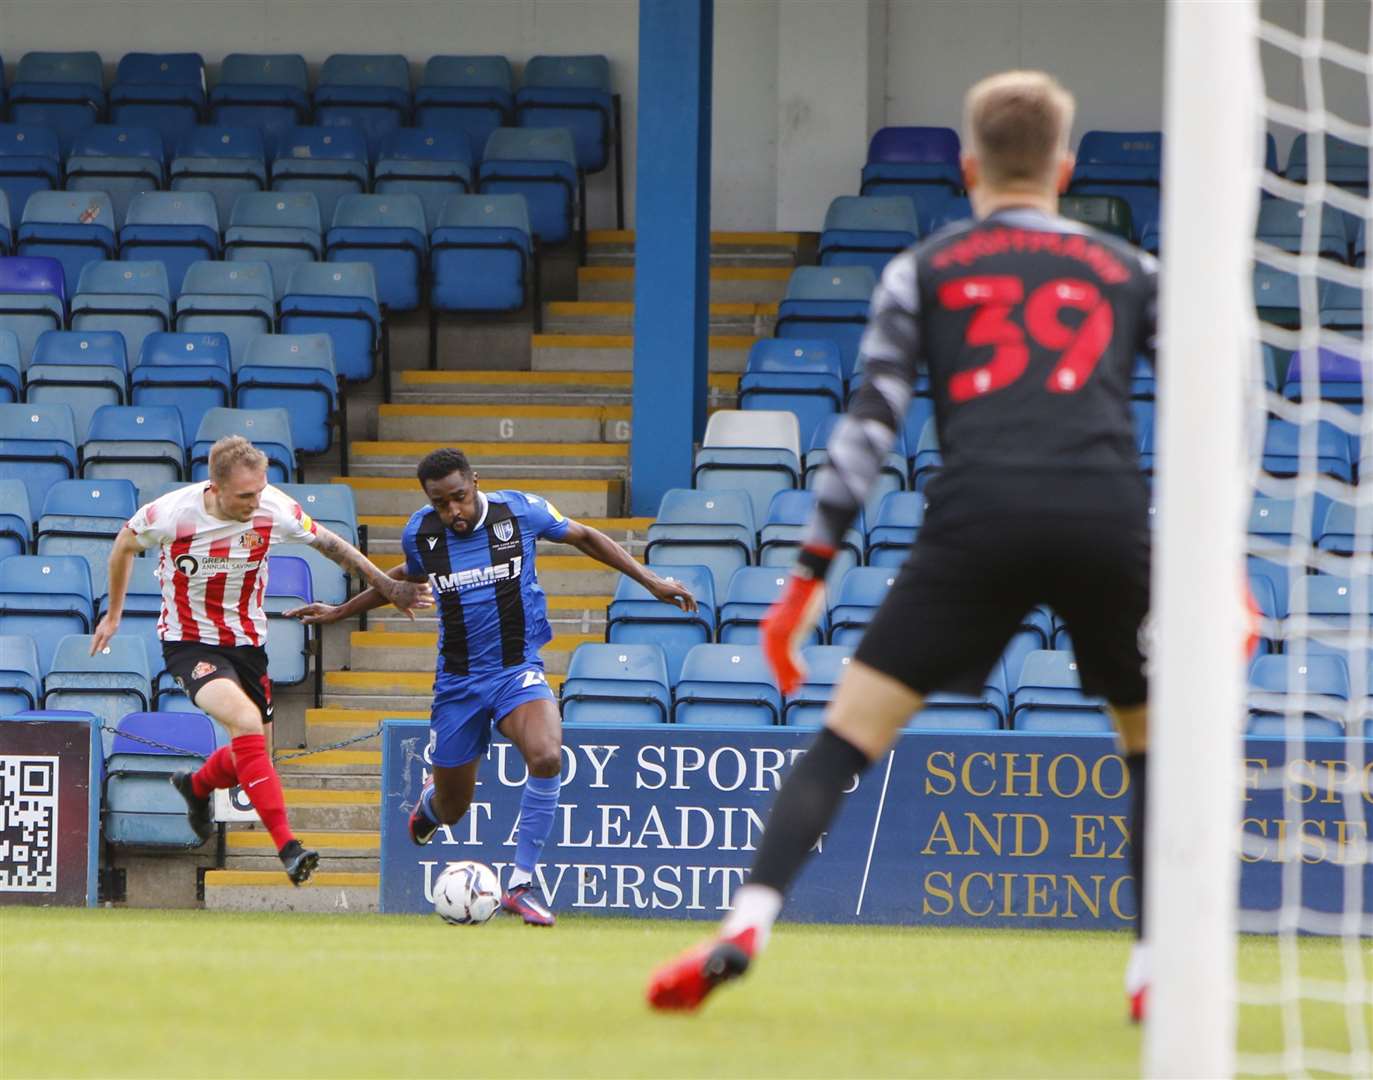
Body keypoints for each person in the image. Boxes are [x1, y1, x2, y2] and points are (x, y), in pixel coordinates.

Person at [647, 70, 1158, 1020]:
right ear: (1065, 166)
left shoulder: (920, 270)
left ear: (965, 166)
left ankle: (747, 921)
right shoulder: (1129, 270)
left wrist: (802, 587)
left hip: (976, 517)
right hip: (1106, 516)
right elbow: (1214, 405)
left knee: (844, 738)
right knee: (1148, 749)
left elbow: (866, 433)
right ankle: (1152, 966)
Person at [286, 447, 697, 924]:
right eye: (441, 503)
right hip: (458, 684)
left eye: (459, 497)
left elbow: (586, 537)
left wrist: (650, 581)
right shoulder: (422, 533)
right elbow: (401, 580)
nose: (452, 511)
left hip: (516, 670)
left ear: (475, 482)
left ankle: (521, 882)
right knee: (454, 807)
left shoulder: (519, 512)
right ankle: (430, 805)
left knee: (546, 755)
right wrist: (339, 612)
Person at [95, 436, 432, 885]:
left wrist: (387, 587)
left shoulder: (274, 508)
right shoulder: (171, 515)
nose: (256, 502)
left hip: (249, 646)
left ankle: (195, 786)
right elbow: (122, 546)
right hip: (190, 643)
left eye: (260, 490)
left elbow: (332, 545)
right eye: (245, 495)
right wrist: (113, 615)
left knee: (255, 758)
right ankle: (289, 848)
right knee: (246, 722)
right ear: (214, 488)